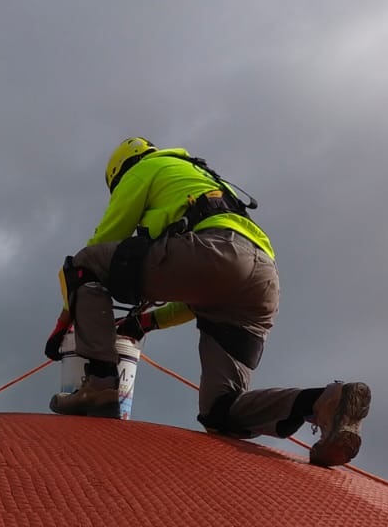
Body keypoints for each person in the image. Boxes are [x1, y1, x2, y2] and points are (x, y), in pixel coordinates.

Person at [44, 137, 371, 467]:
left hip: (217, 253)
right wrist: (147, 322)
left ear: (118, 172)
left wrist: (66, 319)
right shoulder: (198, 179)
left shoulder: (142, 169)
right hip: (260, 280)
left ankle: (101, 383)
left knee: (83, 264)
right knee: (220, 411)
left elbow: (102, 244)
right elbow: (204, 291)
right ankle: (324, 402)